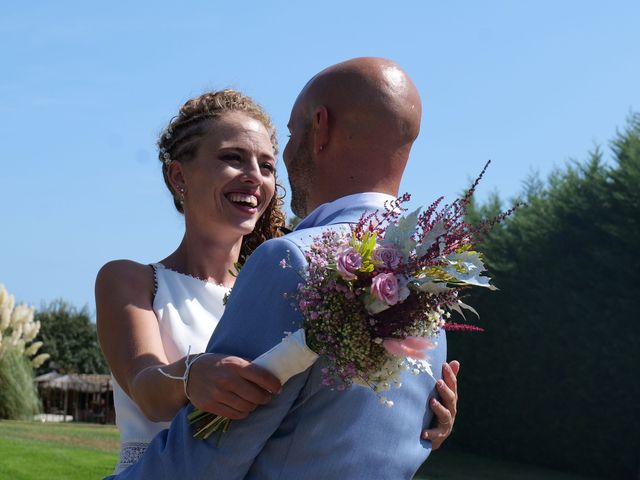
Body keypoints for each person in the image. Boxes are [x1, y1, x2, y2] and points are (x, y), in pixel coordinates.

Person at [98, 87, 459, 475]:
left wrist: (420, 413)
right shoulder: (130, 280)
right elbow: (145, 388)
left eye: (267, 165)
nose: (254, 176)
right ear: (178, 175)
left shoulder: (290, 282)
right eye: (232, 158)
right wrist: (190, 375)